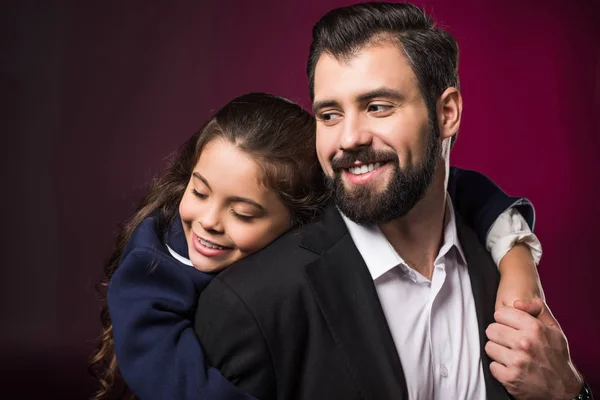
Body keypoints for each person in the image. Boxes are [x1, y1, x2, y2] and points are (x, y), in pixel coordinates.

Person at [192, 3, 591, 400]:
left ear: (447, 113)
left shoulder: (504, 272)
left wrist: (570, 393)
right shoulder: (253, 306)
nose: (349, 138)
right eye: (329, 114)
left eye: (377, 107)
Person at [92, 92, 544, 400]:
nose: (208, 222)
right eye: (200, 190)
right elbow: (172, 381)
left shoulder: (322, 223)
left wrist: (517, 254)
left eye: (244, 213)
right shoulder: (155, 264)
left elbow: (447, 186)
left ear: (300, 214)